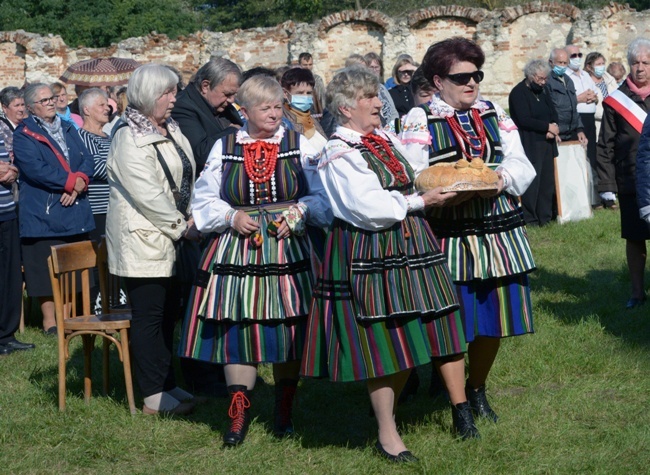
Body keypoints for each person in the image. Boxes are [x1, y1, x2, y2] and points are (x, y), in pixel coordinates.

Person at [301, 67, 474, 463]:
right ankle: (387, 432)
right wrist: (420, 202)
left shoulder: (382, 137)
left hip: (411, 240)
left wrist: (440, 185)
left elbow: (410, 176)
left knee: (429, 324)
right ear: (346, 109)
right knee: (384, 339)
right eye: (369, 98)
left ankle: (452, 408)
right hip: (370, 246)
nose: (380, 102)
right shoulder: (337, 151)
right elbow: (366, 208)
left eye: (377, 96)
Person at [179, 75, 332, 445]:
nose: (274, 114)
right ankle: (238, 415)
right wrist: (230, 216)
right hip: (237, 249)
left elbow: (323, 195)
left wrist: (299, 212)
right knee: (238, 327)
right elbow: (204, 198)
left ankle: (284, 409)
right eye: (265, 108)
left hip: (288, 248)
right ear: (243, 111)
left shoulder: (301, 144)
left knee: (288, 326)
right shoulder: (226, 145)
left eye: (278, 106)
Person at [401, 37, 536, 427]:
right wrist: (444, 190)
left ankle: (477, 388)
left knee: (493, 319)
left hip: (498, 229)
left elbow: (519, 160)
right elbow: (411, 176)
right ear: (438, 80)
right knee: (451, 320)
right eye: (462, 77)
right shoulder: (418, 119)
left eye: (476, 74)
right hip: (448, 233)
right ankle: (459, 407)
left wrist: (500, 180)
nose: (471, 83)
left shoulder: (494, 112)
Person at [106, 64, 200, 414]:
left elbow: (185, 177)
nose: (174, 98)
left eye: (175, 90)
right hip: (144, 240)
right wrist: (183, 226)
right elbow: (147, 193)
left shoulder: (169, 127)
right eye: (167, 92)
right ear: (148, 95)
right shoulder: (128, 136)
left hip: (170, 238)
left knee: (166, 316)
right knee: (149, 317)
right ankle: (151, 396)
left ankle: (167, 384)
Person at [12, 83, 95, 335]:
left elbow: (86, 158)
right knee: (43, 267)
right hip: (43, 210)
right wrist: (70, 183)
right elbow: (35, 168)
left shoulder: (69, 127)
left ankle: (68, 317)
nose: (51, 102)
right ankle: (50, 321)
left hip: (74, 205)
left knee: (71, 263)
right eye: (44, 100)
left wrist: (79, 182)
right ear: (31, 108)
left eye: (52, 98)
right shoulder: (24, 134)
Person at [596, 37, 650, 309]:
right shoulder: (616, 100)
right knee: (635, 237)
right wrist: (606, 185)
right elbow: (605, 145)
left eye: (645, 63)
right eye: (634, 62)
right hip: (631, 180)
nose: (639, 68)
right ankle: (637, 292)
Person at [171, 57, 244, 175]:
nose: (232, 100)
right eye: (227, 94)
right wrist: (232, 131)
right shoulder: (182, 107)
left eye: (234, 94)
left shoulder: (221, 104)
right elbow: (200, 154)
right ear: (205, 86)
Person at [509, 59, 559, 226]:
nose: (543, 82)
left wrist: (554, 127)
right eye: (540, 79)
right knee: (533, 183)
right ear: (530, 76)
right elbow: (524, 119)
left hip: (547, 143)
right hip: (530, 143)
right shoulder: (518, 93)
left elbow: (553, 112)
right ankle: (530, 218)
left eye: (545, 79)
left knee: (547, 182)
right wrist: (547, 127)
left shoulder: (544, 91)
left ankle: (544, 217)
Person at [0, 112, 35, 355]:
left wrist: (13, 170)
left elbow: (9, 162)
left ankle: (5, 335)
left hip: (6, 210)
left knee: (10, 276)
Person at [565, 45, 601, 207]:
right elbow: (566, 99)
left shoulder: (586, 75)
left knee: (591, 156)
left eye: (580, 54)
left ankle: (594, 195)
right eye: (573, 55)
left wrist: (592, 97)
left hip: (590, 118)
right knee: (579, 157)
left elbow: (595, 94)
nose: (577, 57)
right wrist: (579, 98)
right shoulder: (565, 76)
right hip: (576, 120)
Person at [77, 88, 111, 242]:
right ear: (87, 110)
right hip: (97, 209)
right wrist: (123, 167)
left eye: (107, 104)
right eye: (101, 105)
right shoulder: (83, 137)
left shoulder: (108, 137)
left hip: (113, 207)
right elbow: (96, 168)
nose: (107, 108)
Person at [346, 54, 399, 132]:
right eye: (371, 67)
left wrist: (396, 130)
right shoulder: (352, 92)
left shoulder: (382, 88)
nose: (374, 70)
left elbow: (393, 112)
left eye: (377, 67)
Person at [546, 48, 588, 146]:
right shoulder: (547, 81)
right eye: (560, 62)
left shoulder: (568, 80)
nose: (563, 66)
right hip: (556, 134)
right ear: (551, 62)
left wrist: (579, 129)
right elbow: (547, 110)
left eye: (565, 63)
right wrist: (553, 131)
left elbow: (573, 108)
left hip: (571, 133)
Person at [280, 67, 327, 150]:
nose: (305, 96)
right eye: (300, 93)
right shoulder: (283, 122)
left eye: (309, 93)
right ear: (285, 93)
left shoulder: (312, 120)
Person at [585, 52, 619, 152]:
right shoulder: (586, 83)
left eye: (603, 63)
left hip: (614, 127)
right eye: (598, 64)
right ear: (589, 67)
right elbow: (590, 107)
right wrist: (609, 115)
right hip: (598, 127)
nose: (601, 67)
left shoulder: (610, 80)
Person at [298, 52, 326, 119]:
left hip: (316, 114)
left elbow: (322, 99)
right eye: (305, 65)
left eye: (310, 64)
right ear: (300, 65)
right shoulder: (296, 81)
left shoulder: (317, 80)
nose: (308, 67)